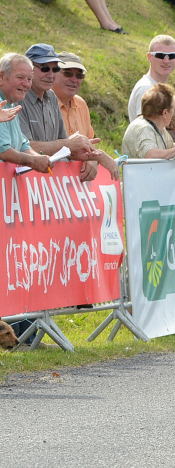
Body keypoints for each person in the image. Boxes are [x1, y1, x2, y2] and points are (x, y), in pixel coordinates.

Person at [0, 53, 53, 348]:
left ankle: (19, 335)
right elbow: (5, 151)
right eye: (20, 77)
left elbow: (20, 145)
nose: (26, 83)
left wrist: (40, 159)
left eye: (29, 78)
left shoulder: (10, 105)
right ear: (1, 76)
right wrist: (33, 161)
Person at [18, 44, 104, 181]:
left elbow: (64, 148)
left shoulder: (51, 97)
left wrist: (93, 157)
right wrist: (70, 145)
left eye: (55, 69)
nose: (51, 74)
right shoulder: (17, 98)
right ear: (29, 69)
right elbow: (23, 147)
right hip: (22, 182)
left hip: (49, 182)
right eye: (45, 68)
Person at [52, 51, 120, 180]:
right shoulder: (43, 103)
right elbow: (44, 148)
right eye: (67, 74)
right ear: (53, 73)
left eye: (79, 76)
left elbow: (88, 146)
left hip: (76, 183)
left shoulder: (81, 103)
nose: (74, 80)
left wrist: (93, 158)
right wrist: (98, 156)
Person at [128, 35, 175, 122]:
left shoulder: (157, 88)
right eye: (160, 55)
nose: (166, 61)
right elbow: (145, 130)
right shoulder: (147, 89)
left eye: (171, 56)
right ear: (149, 57)